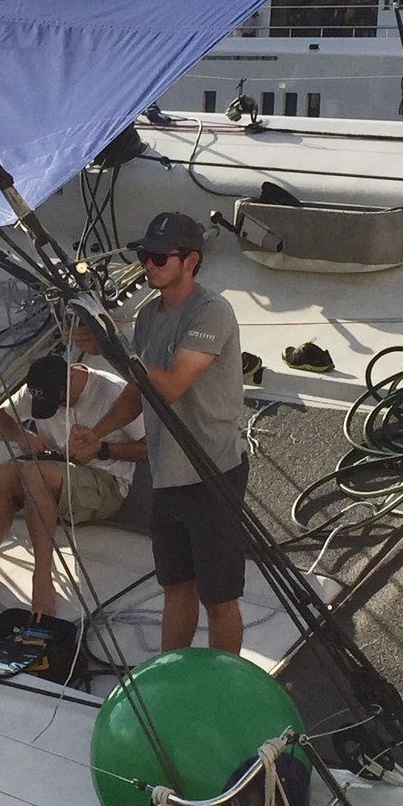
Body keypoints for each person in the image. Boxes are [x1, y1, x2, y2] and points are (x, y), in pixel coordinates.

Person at [91, 210, 250, 653]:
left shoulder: (212, 311)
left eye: (161, 256)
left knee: (219, 599)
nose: (150, 264)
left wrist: (112, 347)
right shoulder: (146, 317)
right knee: (176, 589)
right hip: (167, 476)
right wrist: (96, 433)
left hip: (212, 474)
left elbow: (174, 384)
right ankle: (172, 678)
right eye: (145, 255)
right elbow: (139, 389)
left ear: (191, 260)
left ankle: (224, 689)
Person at [0, 352, 145, 618]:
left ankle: (42, 578)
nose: (54, 409)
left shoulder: (113, 392)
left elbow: (151, 448)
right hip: (59, 467)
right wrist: (20, 434)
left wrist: (102, 450)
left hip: (106, 482)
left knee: (36, 474)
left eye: (56, 401)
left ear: (70, 378)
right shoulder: (41, 389)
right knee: (3, 474)